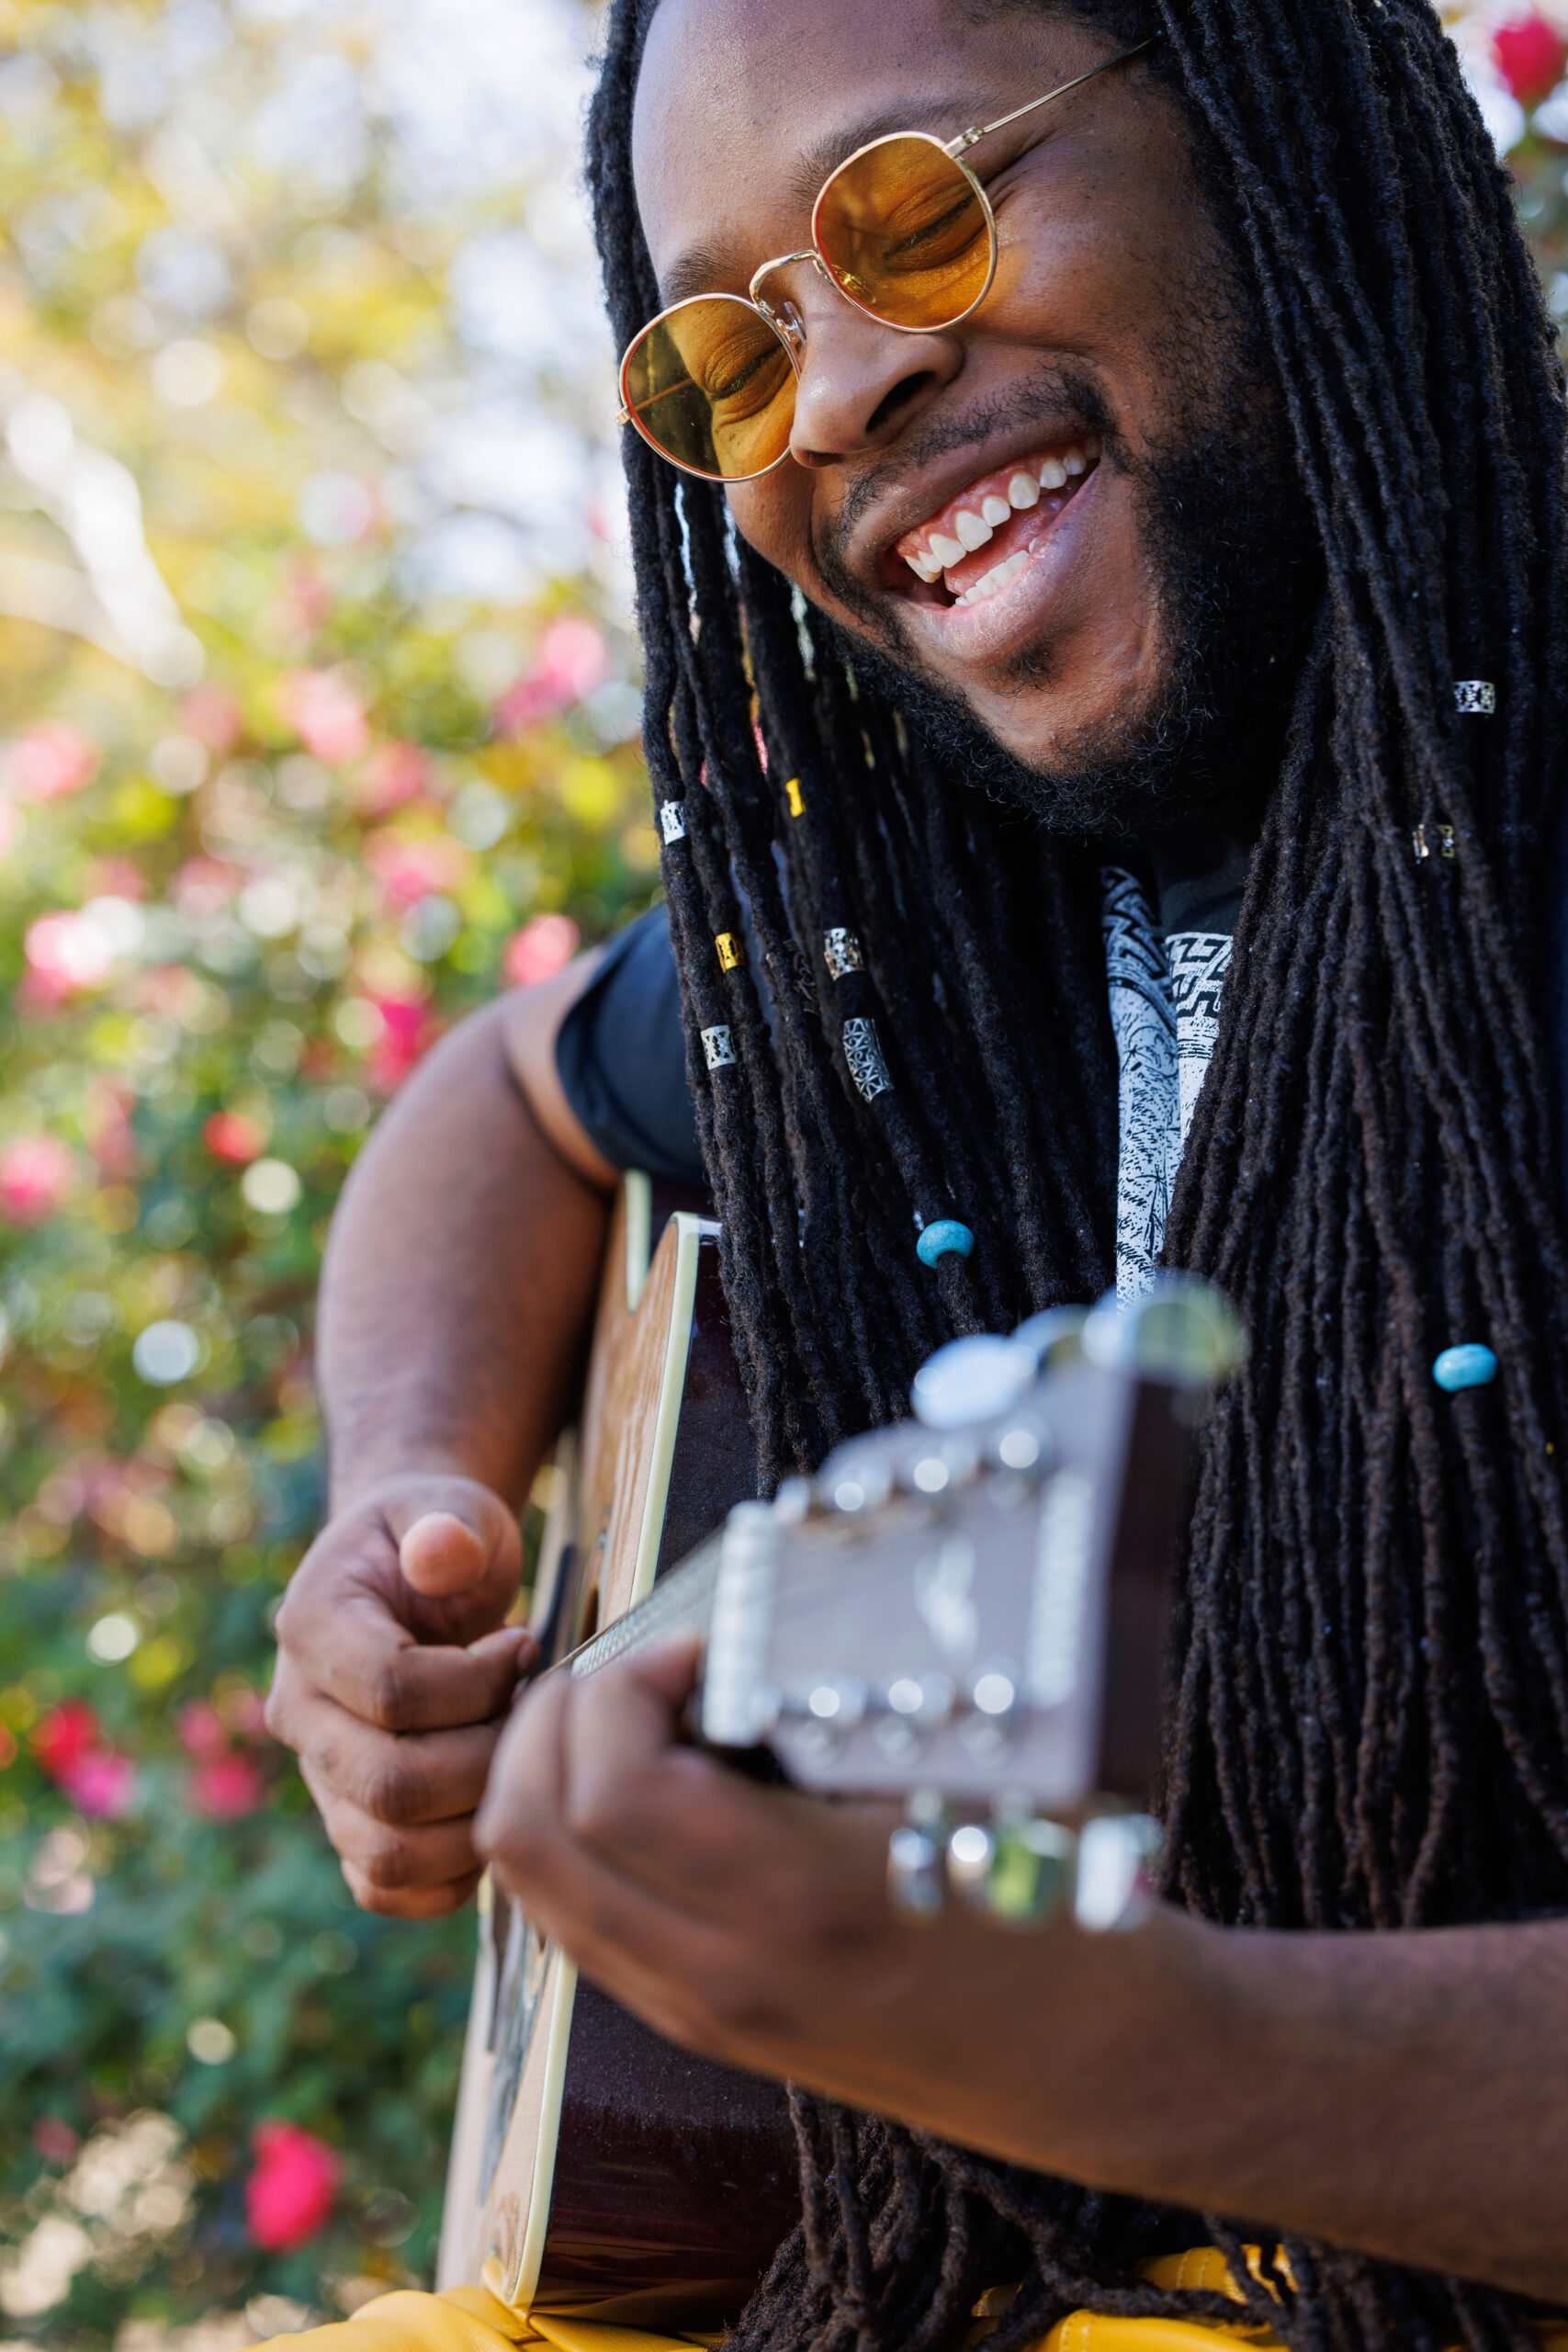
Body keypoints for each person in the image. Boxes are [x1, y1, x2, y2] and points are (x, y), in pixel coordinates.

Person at [265, 0, 1568, 2346]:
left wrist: (1137, 2048)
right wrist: (410, 1502)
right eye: (727, 354)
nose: (835, 391)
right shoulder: (923, 934)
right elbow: (497, 1100)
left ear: (1257, 117)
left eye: (913, 208)